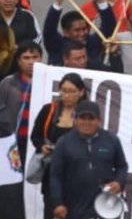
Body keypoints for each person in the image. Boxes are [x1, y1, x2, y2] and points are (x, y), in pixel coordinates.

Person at [47, 100, 129, 219]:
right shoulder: (64, 142)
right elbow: (55, 175)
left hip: (106, 207)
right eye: (82, 118)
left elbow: (122, 166)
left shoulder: (111, 140)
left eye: (91, 118)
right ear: (75, 119)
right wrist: (57, 203)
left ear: (99, 121)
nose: (87, 122)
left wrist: (119, 182)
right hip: (73, 207)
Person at [30, 72, 87, 219]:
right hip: (51, 172)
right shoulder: (49, 110)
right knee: (50, 211)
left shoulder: (87, 114)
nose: (66, 95)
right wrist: (42, 146)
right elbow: (35, 136)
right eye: (63, 90)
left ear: (81, 92)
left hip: (76, 175)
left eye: (71, 91)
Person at [44, 0, 116, 66]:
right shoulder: (57, 45)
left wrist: (101, 1)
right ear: (66, 32)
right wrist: (57, 4)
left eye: (84, 29)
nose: (82, 33)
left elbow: (109, 27)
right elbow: (49, 30)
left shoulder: (92, 42)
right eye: (77, 30)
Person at [0, 42, 43, 161]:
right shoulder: (8, 84)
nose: (31, 62)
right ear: (18, 61)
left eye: (35, 57)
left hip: (40, 145)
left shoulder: (49, 84)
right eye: (26, 58)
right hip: (14, 144)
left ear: (41, 59)